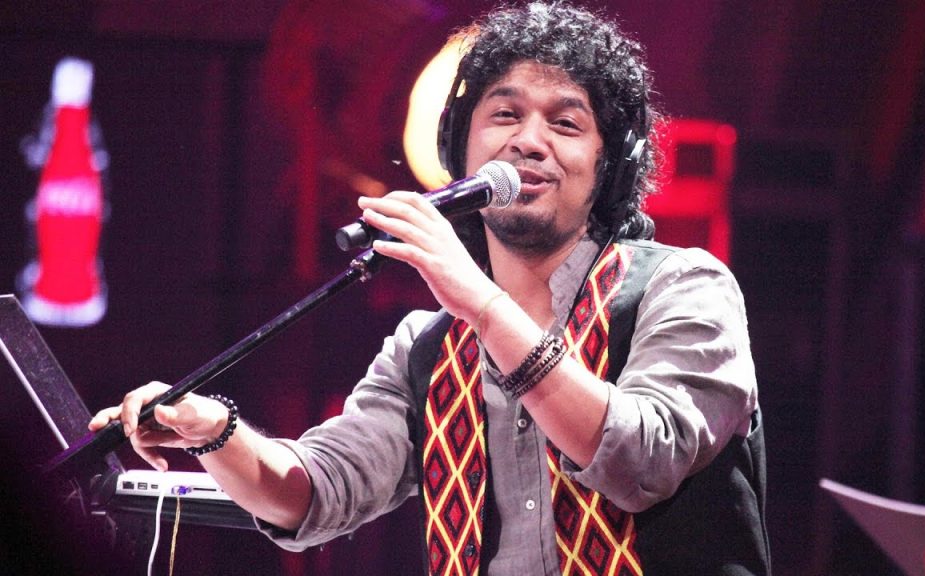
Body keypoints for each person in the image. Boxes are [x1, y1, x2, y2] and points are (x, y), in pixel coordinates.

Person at [89, 2, 770, 574]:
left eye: (565, 123)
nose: (529, 141)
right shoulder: (425, 346)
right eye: (505, 115)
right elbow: (316, 492)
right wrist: (216, 433)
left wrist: (484, 306)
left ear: (609, 165)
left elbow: (641, 461)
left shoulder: (683, 288)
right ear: (461, 150)